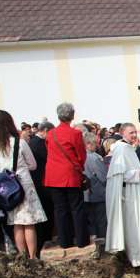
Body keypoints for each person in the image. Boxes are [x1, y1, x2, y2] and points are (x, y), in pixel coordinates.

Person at [0, 110, 47, 257]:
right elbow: (33, 165)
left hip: (6, 188)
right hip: (23, 184)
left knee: (16, 223)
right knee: (29, 223)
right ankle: (32, 257)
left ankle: (22, 257)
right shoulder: (19, 142)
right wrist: (20, 168)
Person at [105, 123, 140, 270]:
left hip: (134, 193)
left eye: (135, 132)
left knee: (138, 224)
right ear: (122, 133)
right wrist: (139, 172)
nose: (134, 135)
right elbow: (120, 175)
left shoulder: (128, 148)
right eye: (131, 132)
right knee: (135, 226)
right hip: (129, 195)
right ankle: (139, 259)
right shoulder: (122, 149)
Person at [45, 102, 89, 250]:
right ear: (72, 115)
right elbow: (81, 155)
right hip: (70, 175)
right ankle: (81, 240)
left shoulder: (50, 134)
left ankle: (65, 241)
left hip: (53, 176)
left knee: (60, 210)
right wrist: (79, 168)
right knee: (77, 208)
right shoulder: (75, 134)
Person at [27, 120, 54, 245]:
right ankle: (45, 239)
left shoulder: (33, 142)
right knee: (47, 211)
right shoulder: (38, 143)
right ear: (46, 131)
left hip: (39, 182)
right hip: (41, 182)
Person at [82, 131, 107, 246]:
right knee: (101, 221)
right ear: (88, 144)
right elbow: (103, 177)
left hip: (85, 194)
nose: (97, 146)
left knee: (91, 221)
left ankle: (93, 245)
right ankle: (102, 245)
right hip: (97, 193)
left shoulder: (79, 156)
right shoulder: (94, 158)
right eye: (95, 143)